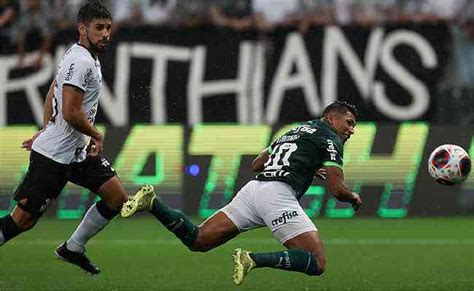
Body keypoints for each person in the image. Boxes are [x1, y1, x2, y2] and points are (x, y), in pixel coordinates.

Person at [121, 101, 363, 285]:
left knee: (198, 240)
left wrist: (307, 167)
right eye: (349, 123)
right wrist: (352, 197)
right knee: (317, 262)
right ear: (331, 118)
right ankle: (253, 259)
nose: (351, 130)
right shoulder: (331, 139)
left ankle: (153, 203)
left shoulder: (295, 130)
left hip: (253, 191)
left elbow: (257, 164)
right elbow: (338, 190)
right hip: (277, 195)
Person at [0, 1, 152, 275]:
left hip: (78, 153)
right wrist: (94, 133)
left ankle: (73, 247)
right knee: (22, 221)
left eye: (108, 28)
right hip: (54, 156)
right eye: (99, 28)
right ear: (82, 29)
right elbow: (70, 111)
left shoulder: (83, 56)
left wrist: (47, 127)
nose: (106, 33)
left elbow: (54, 88)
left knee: (116, 198)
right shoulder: (81, 61)